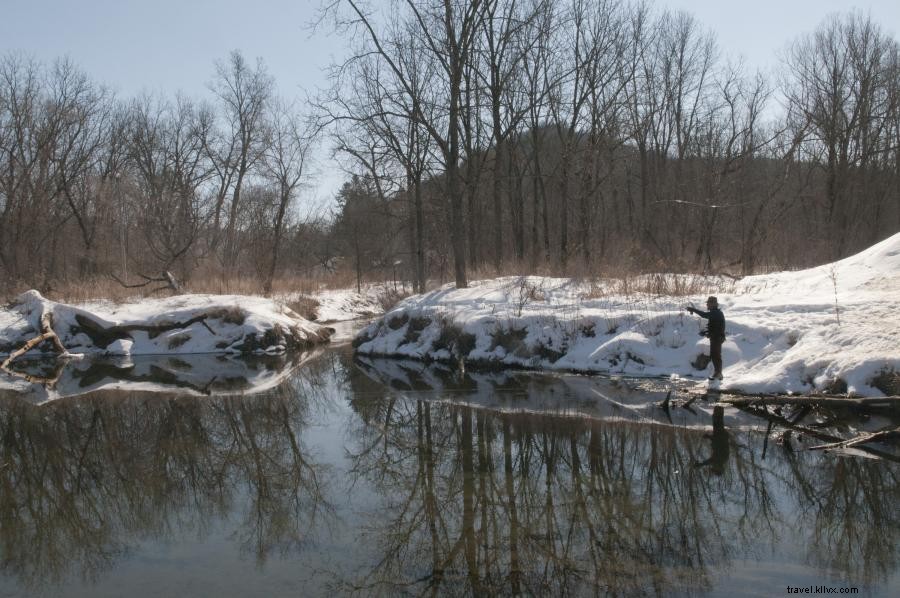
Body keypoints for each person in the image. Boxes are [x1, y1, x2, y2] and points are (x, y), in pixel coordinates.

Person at [686, 296, 726, 380]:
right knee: (715, 355)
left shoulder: (716, 313)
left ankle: (718, 374)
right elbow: (715, 326)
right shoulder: (715, 312)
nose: (707, 304)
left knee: (716, 356)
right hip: (716, 338)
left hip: (717, 338)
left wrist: (693, 310)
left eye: (708, 303)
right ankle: (718, 373)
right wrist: (706, 332)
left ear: (713, 304)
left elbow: (705, 315)